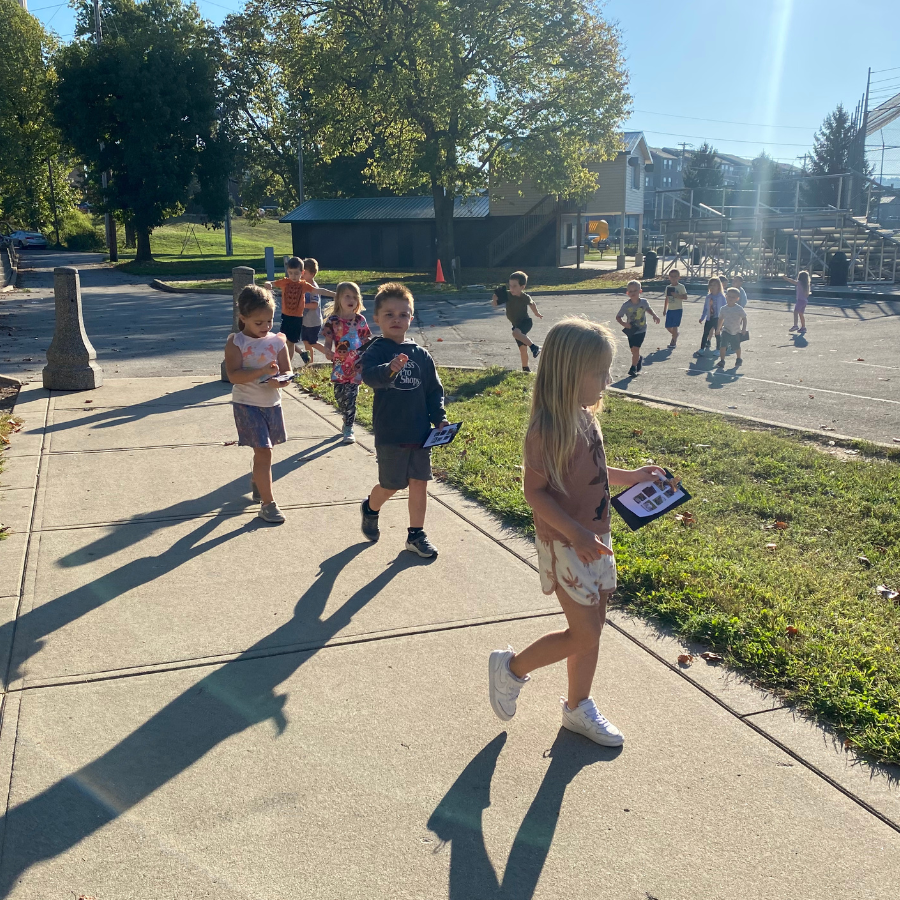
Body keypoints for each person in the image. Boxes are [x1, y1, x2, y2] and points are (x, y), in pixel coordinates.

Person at [487, 316, 672, 746]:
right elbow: (535, 492)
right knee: (585, 631)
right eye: (600, 371)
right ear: (571, 373)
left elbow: (590, 471)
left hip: (594, 537)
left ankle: (578, 707)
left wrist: (632, 476)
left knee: (594, 626)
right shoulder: (547, 428)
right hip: (567, 542)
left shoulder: (585, 416)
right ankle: (511, 669)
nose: (608, 379)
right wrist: (573, 534)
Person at [360, 282, 449, 559]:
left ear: (412, 316)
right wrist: (389, 369)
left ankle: (416, 535)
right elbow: (369, 376)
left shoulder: (421, 355)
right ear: (377, 319)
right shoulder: (377, 350)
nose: (396, 319)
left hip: (420, 433)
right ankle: (370, 508)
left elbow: (433, 391)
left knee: (419, 483)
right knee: (391, 485)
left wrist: (440, 419)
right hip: (391, 433)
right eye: (389, 314)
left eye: (403, 314)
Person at [223, 284, 292, 523]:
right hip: (246, 404)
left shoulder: (277, 342)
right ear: (243, 318)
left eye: (269, 321)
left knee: (264, 452)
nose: (265, 328)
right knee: (264, 452)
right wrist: (261, 371)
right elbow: (234, 376)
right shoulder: (236, 342)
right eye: (258, 323)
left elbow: (287, 372)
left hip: (272, 404)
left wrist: (280, 382)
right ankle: (268, 504)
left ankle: (257, 480)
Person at [321, 281, 372, 443]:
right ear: (338, 299)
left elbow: (366, 339)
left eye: (355, 297)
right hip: (339, 366)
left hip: (357, 365)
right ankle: (345, 417)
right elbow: (328, 340)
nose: (351, 300)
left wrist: (370, 354)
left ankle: (349, 428)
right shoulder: (333, 321)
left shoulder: (360, 320)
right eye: (347, 296)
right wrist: (327, 350)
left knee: (351, 396)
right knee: (339, 396)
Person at [266, 257, 335, 368]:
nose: (293, 276)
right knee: (283, 340)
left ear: (302, 273)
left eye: (296, 273)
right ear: (287, 271)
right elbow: (272, 283)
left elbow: (319, 291)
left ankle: (287, 366)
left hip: (297, 318)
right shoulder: (285, 282)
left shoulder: (303, 285)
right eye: (290, 273)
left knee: (292, 342)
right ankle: (286, 361)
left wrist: (335, 294)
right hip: (286, 316)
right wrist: (268, 283)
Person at [491, 271, 543, 372]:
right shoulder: (507, 295)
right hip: (516, 324)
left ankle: (534, 347)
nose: (511, 288)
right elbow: (495, 305)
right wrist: (494, 299)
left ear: (522, 287)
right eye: (510, 285)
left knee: (515, 333)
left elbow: (532, 304)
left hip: (526, 322)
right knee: (522, 348)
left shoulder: (525, 297)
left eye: (515, 286)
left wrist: (536, 313)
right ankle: (525, 368)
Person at [615, 279, 659, 377]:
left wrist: (654, 315)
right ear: (627, 293)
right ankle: (638, 359)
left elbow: (648, 308)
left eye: (635, 290)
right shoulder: (626, 305)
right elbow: (618, 317)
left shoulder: (643, 302)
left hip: (641, 329)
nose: (633, 293)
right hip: (631, 330)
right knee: (633, 350)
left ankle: (633, 368)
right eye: (630, 291)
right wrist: (624, 324)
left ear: (640, 291)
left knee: (636, 348)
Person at [299, 257, 328, 365]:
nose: (301, 274)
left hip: (313, 321)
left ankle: (332, 355)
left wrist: (302, 305)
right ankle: (310, 363)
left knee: (313, 342)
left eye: (304, 272)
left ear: (312, 274)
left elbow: (314, 305)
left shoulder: (313, 288)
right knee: (306, 342)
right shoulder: (303, 286)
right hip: (305, 321)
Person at [715, 287, 748, 369]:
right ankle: (722, 361)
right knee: (723, 346)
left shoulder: (739, 308)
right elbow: (721, 319)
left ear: (737, 299)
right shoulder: (723, 309)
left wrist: (743, 328)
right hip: (726, 330)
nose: (730, 298)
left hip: (736, 331)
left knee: (736, 347)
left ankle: (739, 358)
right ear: (726, 296)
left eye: (733, 297)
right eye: (729, 296)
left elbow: (744, 318)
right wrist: (718, 329)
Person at [695, 276, 727, 357]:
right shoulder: (708, 297)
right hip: (710, 318)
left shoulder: (721, 297)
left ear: (719, 286)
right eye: (711, 285)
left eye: (715, 285)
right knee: (705, 333)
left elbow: (725, 308)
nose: (713, 287)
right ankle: (702, 349)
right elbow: (705, 308)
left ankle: (718, 349)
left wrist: (724, 319)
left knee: (717, 334)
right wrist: (702, 317)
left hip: (718, 318)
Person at [662, 268, 687, 349]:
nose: (673, 278)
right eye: (672, 276)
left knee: (675, 325)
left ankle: (673, 342)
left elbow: (685, 297)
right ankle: (675, 334)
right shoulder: (668, 287)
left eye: (675, 276)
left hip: (678, 309)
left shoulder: (681, 287)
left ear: (678, 277)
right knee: (668, 326)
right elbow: (667, 298)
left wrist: (677, 295)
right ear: (669, 277)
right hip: (670, 309)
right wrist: (664, 309)